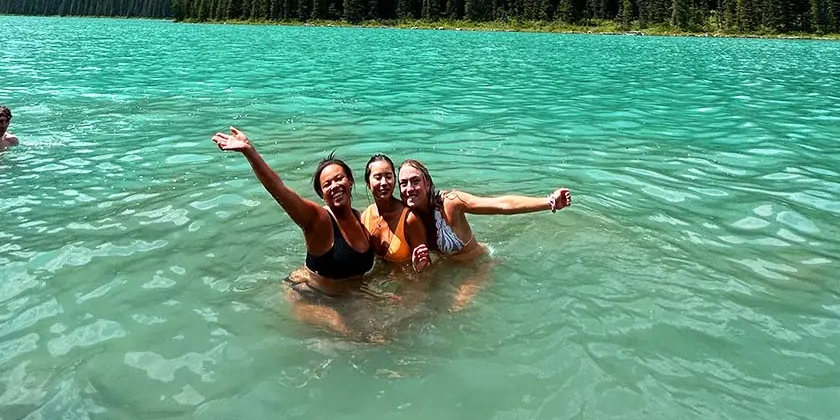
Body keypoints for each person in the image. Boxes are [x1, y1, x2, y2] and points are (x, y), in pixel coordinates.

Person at [211, 127, 374, 296]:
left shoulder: (359, 218)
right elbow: (280, 190)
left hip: (344, 297)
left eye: (339, 178)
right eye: (327, 184)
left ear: (350, 181)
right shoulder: (318, 220)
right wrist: (250, 152)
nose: (334, 186)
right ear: (322, 195)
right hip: (311, 297)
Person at [398, 158, 571, 263]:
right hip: (451, 268)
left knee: (458, 308)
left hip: (479, 263)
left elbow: (502, 205)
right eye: (403, 183)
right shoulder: (407, 217)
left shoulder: (451, 203)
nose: (409, 188)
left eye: (415, 181)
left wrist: (549, 202)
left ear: (427, 184)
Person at [360, 154, 431, 271]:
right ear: (367, 183)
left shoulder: (409, 220)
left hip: (407, 281)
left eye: (388, 176)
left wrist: (419, 268)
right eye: (377, 177)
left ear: (394, 179)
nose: (384, 182)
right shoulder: (365, 216)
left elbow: (427, 268)